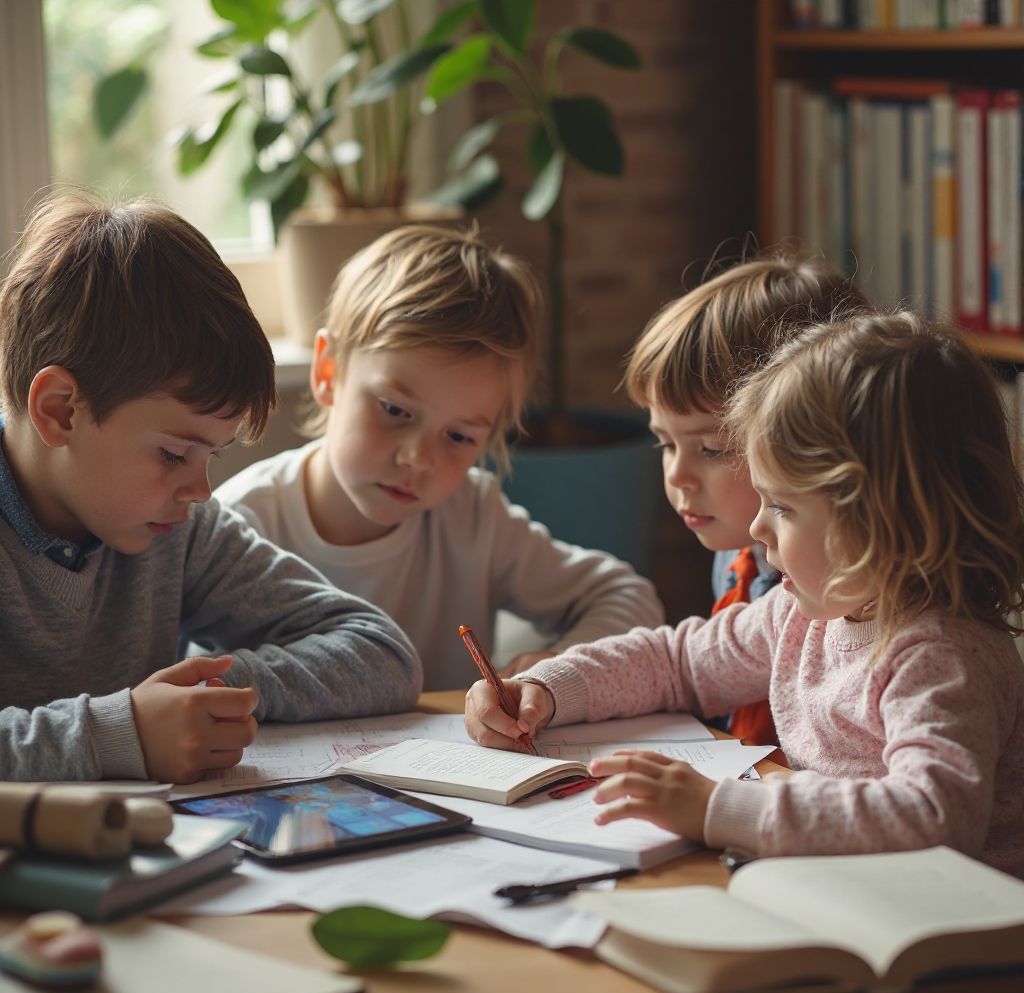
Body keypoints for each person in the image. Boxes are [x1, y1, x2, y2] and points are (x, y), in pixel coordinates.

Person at [466, 311, 1024, 877]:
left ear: (884, 518)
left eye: (781, 506)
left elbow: (933, 816)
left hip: (950, 917)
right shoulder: (801, 614)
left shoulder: (941, 656)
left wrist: (717, 807)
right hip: (848, 885)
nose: (757, 528)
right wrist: (549, 688)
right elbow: (678, 663)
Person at [0, 192, 422, 784]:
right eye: (174, 454)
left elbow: (382, 654)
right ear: (60, 410)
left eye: (211, 456)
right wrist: (122, 732)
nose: (199, 489)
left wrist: (207, 695)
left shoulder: (180, 534)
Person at [215, 224, 664, 689]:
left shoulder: (472, 517)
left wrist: (556, 668)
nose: (419, 458)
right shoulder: (238, 527)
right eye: (395, 410)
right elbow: (200, 685)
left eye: (459, 436)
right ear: (328, 371)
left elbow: (626, 596)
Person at [621, 252, 868, 749]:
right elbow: (688, 664)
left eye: (713, 448)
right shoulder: (735, 556)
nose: (677, 475)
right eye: (665, 444)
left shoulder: (842, 592)